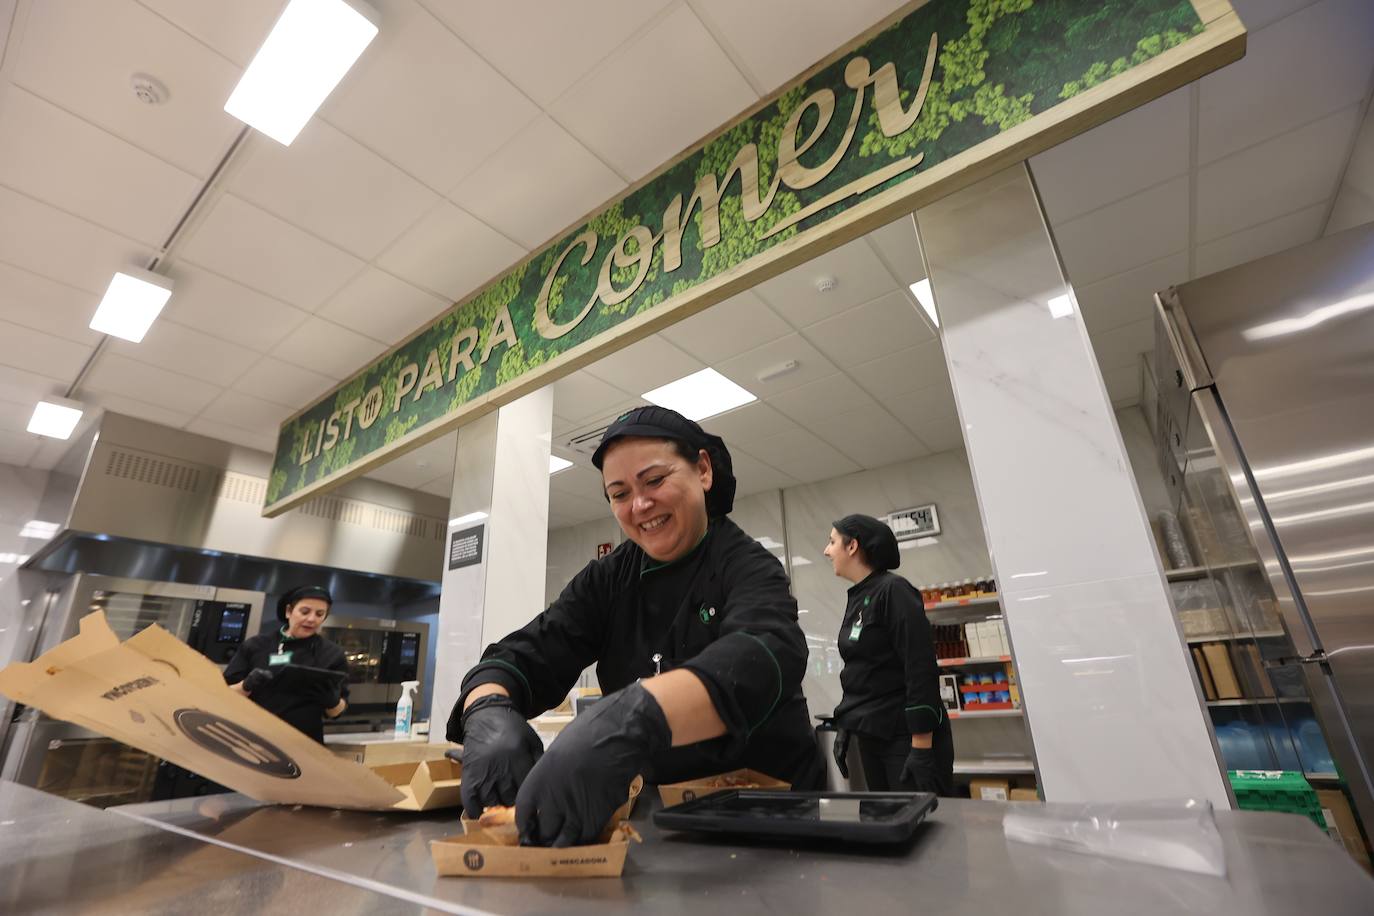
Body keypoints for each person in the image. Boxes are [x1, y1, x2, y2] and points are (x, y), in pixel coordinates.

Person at [447, 405, 824, 847]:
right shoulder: (608, 579)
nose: (640, 505)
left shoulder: (746, 566)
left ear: (702, 470)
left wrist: (633, 718)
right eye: (619, 493)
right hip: (659, 828)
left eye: (654, 481)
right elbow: (528, 652)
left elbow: (762, 657)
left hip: (773, 824)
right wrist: (488, 710)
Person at [823, 514, 953, 795]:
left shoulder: (894, 591)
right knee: (883, 823)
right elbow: (864, 671)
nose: (827, 550)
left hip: (905, 740)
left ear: (852, 546)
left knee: (924, 830)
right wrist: (847, 724)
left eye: (832, 542)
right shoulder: (860, 596)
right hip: (873, 736)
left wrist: (920, 748)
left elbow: (920, 668)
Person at [224, 585, 349, 743]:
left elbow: (337, 711)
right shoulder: (256, 645)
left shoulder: (332, 654)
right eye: (305, 612)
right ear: (289, 611)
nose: (311, 619)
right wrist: (246, 685)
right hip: (252, 739)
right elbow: (223, 694)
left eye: (319, 614)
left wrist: (332, 701)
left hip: (305, 744)